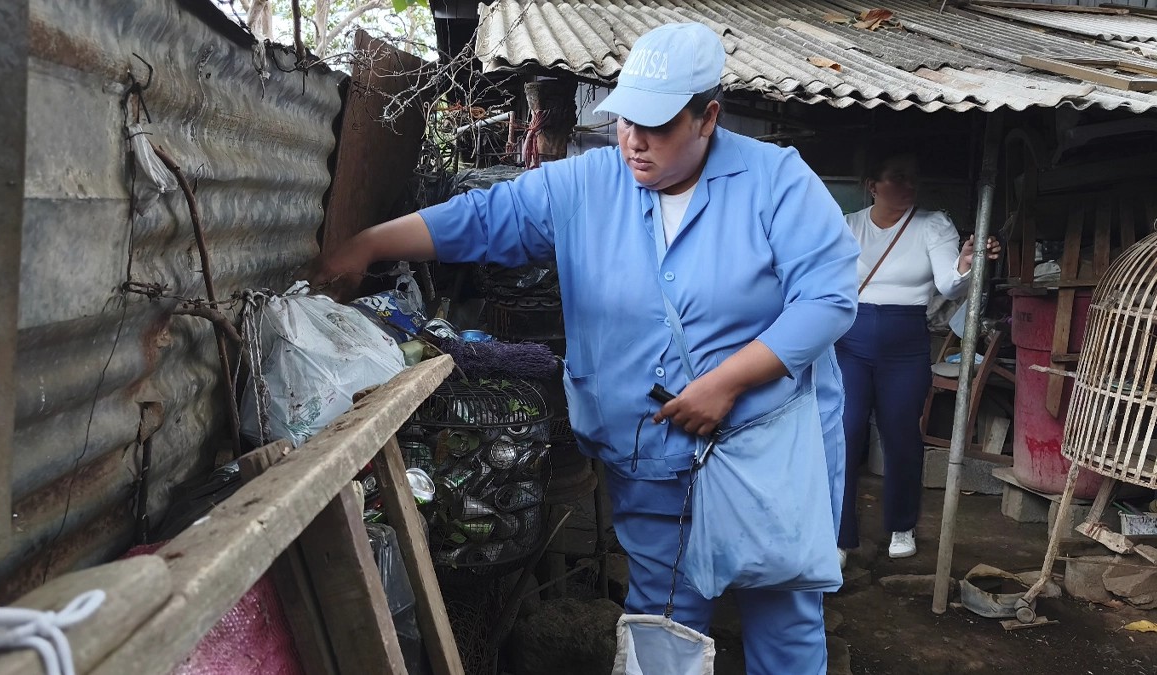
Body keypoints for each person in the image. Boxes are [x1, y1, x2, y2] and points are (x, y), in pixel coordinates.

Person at [307, 23, 858, 675]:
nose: (634, 140)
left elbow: (827, 299)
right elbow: (486, 218)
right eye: (627, 120)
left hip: (761, 455)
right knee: (661, 621)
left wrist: (727, 382)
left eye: (657, 125)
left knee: (783, 618)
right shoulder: (591, 183)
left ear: (708, 117)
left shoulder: (777, 182)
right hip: (647, 452)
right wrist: (368, 243)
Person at [836, 151, 1001, 563]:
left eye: (912, 178)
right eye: (897, 177)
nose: (908, 186)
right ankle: (838, 536)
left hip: (906, 343)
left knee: (901, 435)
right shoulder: (848, 226)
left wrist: (966, 264)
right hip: (850, 344)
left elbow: (949, 285)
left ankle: (901, 525)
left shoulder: (933, 224)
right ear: (873, 185)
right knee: (844, 433)